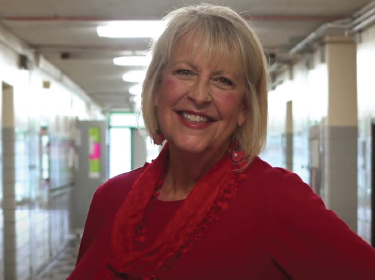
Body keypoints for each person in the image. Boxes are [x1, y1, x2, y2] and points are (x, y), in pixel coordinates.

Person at [68, 4, 375, 280]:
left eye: (223, 81)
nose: (200, 96)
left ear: (243, 108)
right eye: (185, 72)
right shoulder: (111, 198)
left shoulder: (275, 198)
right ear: (157, 87)